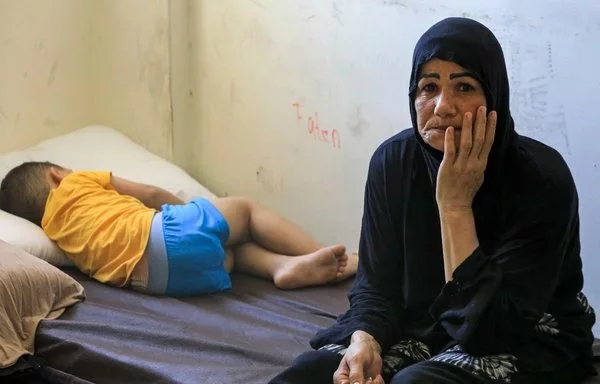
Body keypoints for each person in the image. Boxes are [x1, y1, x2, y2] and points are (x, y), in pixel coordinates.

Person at [269, 17, 596, 384]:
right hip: (420, 326)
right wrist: (366, 339)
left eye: (464, 86)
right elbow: (377, 286)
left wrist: (455, 205)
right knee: (308, 375)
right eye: (428, 87)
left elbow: (489, 332)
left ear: (494, 97)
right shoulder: (392, 163)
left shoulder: (542, 179)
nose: (443, 107)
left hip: (526, 334)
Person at [0, 163, 358, 296]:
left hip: (159, 282)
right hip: (164, 234)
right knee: (245, 211)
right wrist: (193, 213)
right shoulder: (75, 182)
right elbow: (152, 194)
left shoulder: (54, 232)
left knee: (230, 248)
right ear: (55, 174)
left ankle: (280, 268)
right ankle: (328, 257)